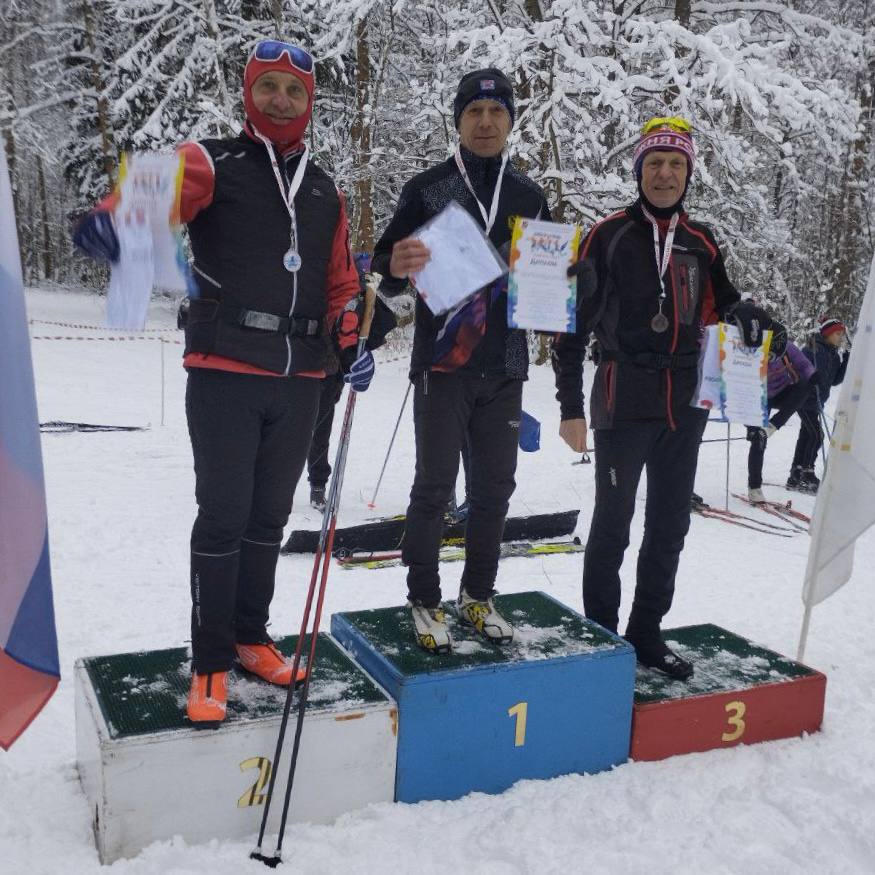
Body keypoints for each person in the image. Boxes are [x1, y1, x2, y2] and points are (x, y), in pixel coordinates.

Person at [73, 39, 374, 727]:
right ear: (248, 94)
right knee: (223, 519)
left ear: (309, 104)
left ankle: (249, 637)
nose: (280, 100)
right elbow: (140, 208)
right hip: (224, 370)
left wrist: (350, 337)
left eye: (293, 92)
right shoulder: (209, 160)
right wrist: (118, 222)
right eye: (268, 87)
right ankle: (209, 660)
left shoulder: (326, 188)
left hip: (300, 378)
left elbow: (337, 281)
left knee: (269, 519)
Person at [554, 116, 782, 680]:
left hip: (684, 401)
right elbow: (570, 326)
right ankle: (603, 638)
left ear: (688, 173)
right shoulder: (606, 234)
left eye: (675, 164)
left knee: (670, 524)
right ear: (638, 170)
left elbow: (724, 301)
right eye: (654, 163)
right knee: (613, 522)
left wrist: (744, 312)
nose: (664, 173)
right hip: (621, 393)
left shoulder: (702, 242)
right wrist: (569, 407)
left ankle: (646, 632)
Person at [371, 68, 551, 654]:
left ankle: (478, 595)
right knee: (434, 488)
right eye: (474, 112)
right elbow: (385, 266)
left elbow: (546, 278)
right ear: (458, 121)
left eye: (497, 112)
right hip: (442, 365)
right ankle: (425, 598)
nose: (485, 122)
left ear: (509, 123)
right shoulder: (427, 188)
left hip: (505, 365)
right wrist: (396, 263)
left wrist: (564, 280)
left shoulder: (528, 194)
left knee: (496, 487)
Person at [746, 337, 813, 504]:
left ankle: (773, 425)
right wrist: (750, 425)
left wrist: (813, 374)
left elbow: (804, 365)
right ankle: (754, 488)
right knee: (758, 441)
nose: (772, 358)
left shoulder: (787, 347)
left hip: (781, 392)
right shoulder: (751, 351)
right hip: (758, 397)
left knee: (805, 385)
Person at [788, 316, 850, 492]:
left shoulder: (833, 354)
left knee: (807, 435)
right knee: (817, 435)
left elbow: (835, 380)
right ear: (828, 333)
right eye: (837, 333)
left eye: (842, 334)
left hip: (816, 402)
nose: (840, 337)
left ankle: (795, 473)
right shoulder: (812, 349)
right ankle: (806, 473)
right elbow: (799, 370)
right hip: (804, 400)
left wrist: (845, 361)